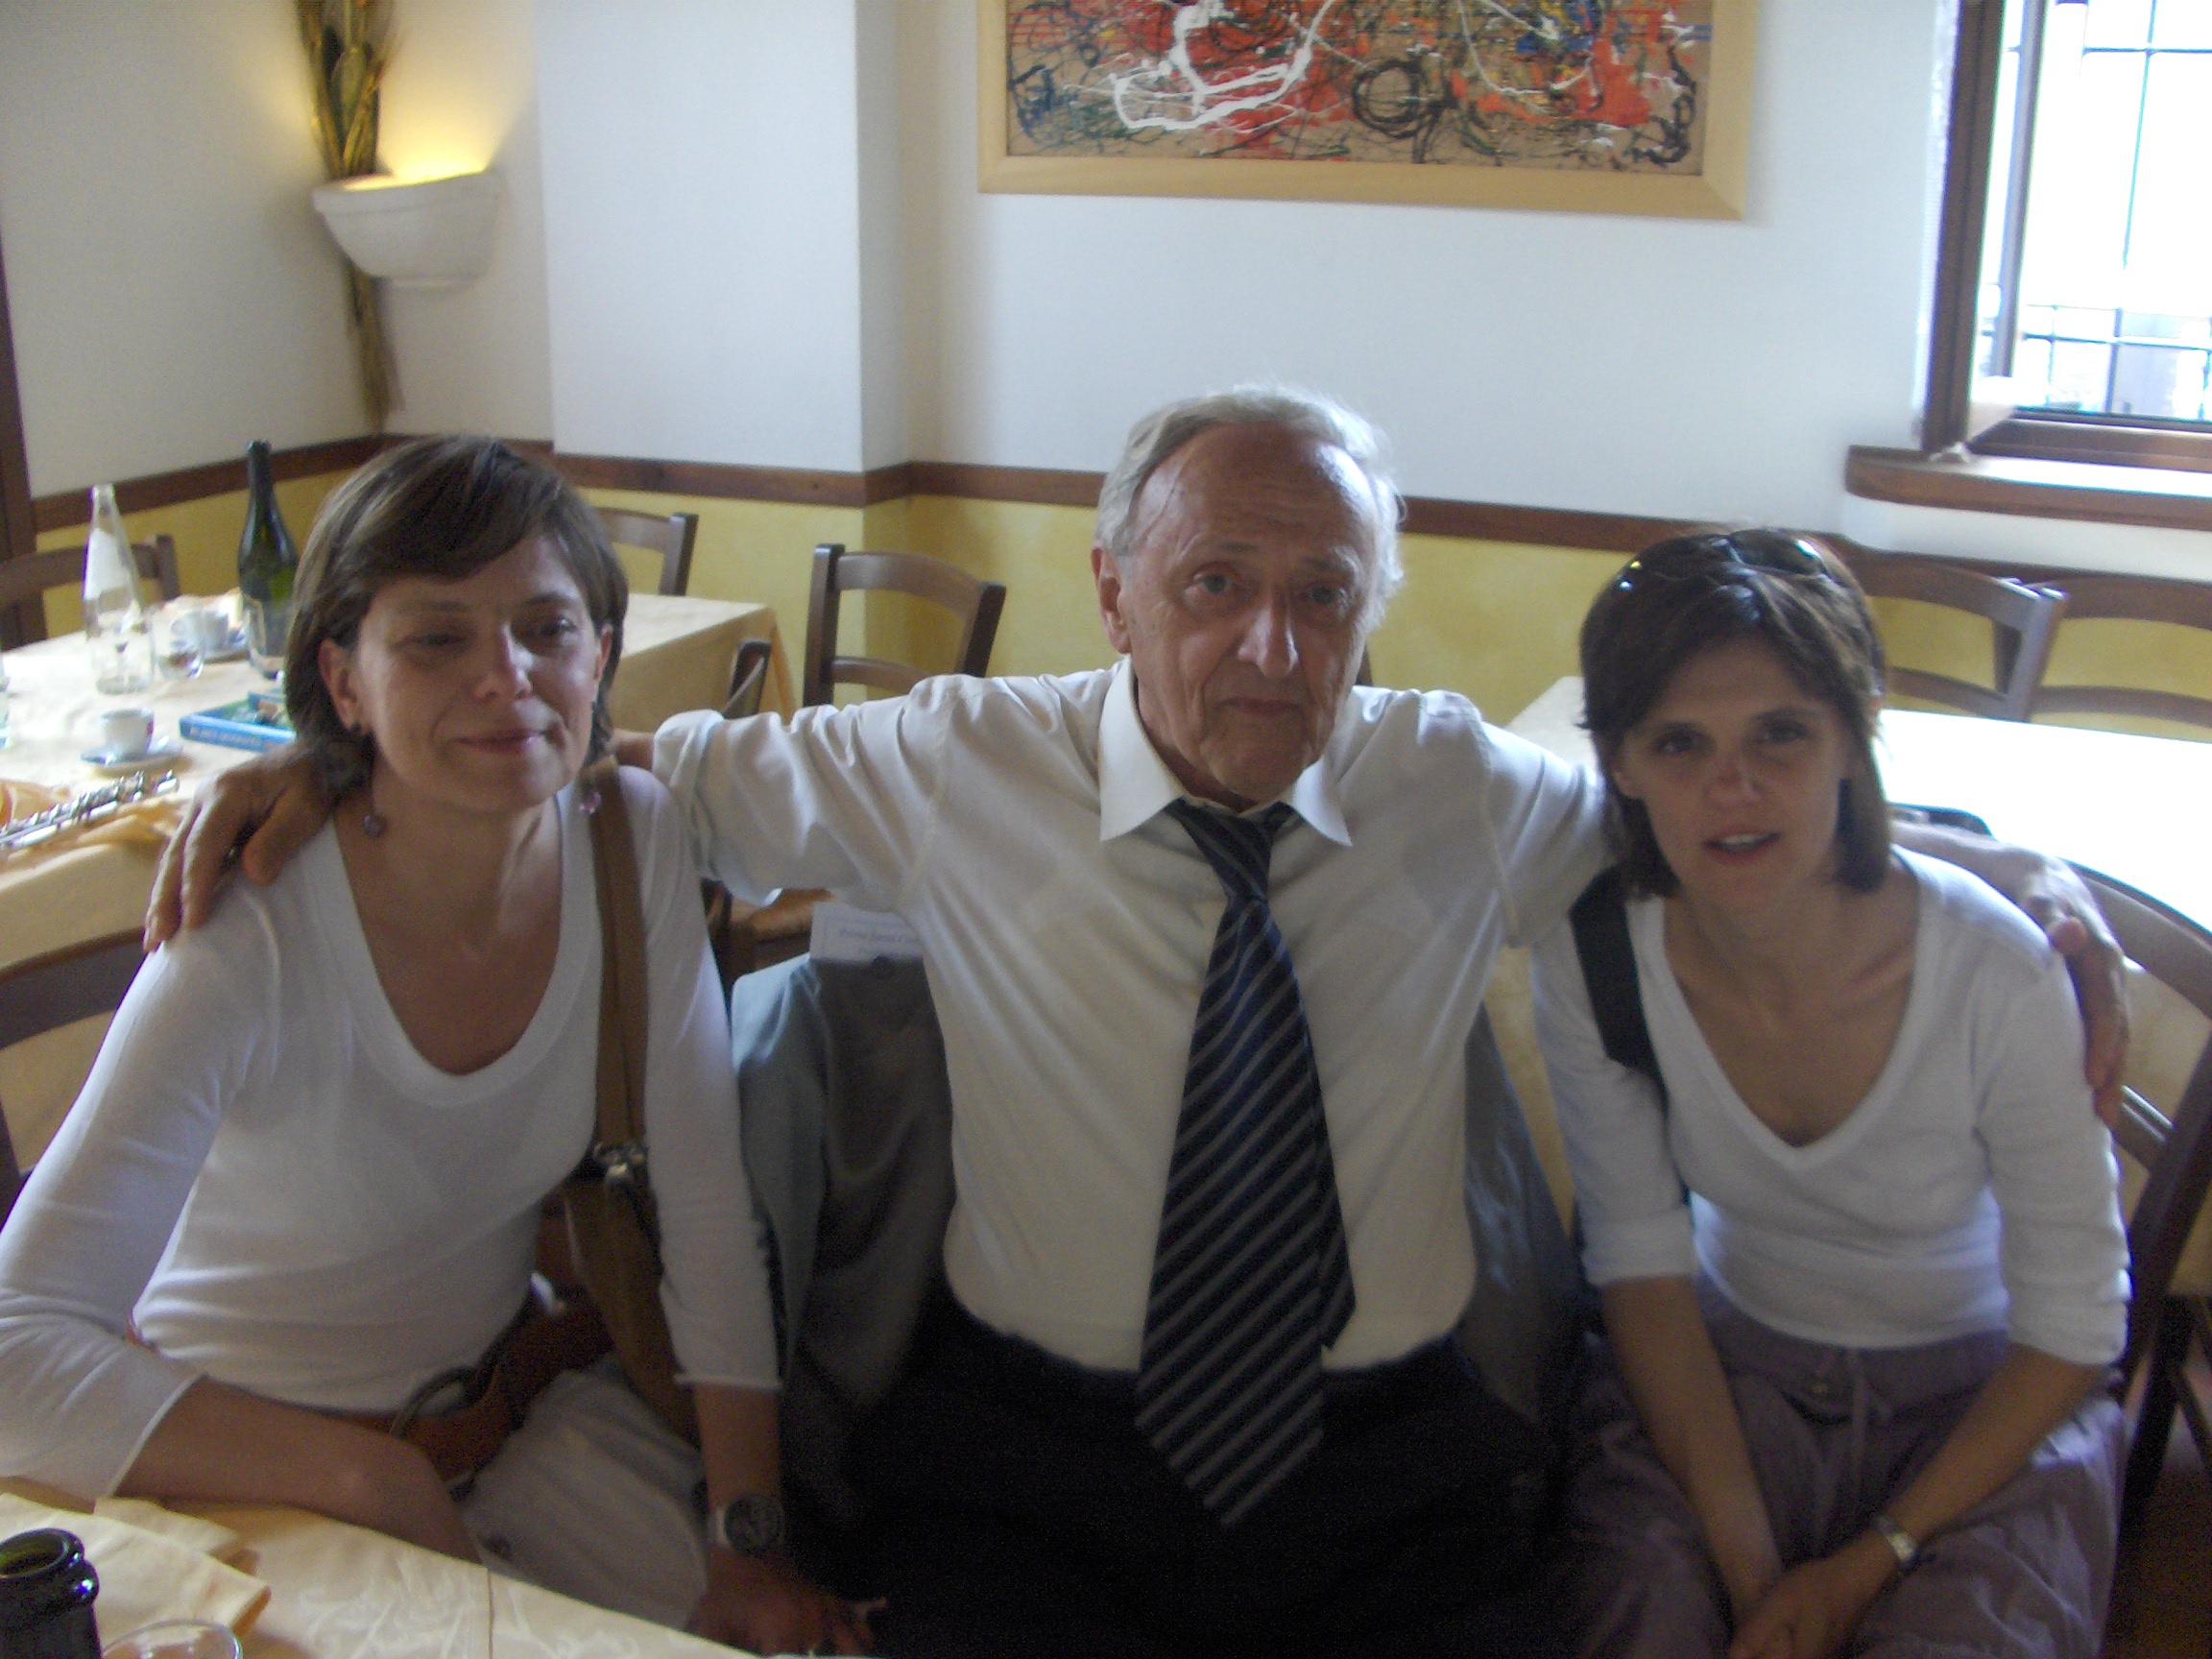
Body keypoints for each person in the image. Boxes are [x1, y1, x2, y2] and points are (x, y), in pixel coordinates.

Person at [148, 393, 2128, 1659]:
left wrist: (2010, 871)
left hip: (1387, 1472)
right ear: (1109, 590)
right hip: (1034, 1467)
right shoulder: (955, 757)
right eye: (1212, 584)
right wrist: (334, 763)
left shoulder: (1451, 783)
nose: (1270, 645)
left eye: (1323, 595)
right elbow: (608, 766)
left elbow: (1719, 813)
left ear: (1375, 613)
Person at [0, 438, 864, 1655]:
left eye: (546, 629)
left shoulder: (630, 838)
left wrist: (747, 1541)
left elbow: (707, 1215)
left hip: (524, 1425)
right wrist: (365, 1477)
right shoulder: (254, 932)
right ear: (342, 681)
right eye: (435, 640)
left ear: (600, 654)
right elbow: (15, 1347)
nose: (506, 678)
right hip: (258, 1487)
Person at [1532, 531, 2128, 1659]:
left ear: (1854, 736)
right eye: (1679, 743)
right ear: (1619, 762)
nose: (1733, 789)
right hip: (1726, 1376)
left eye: (1782, 734)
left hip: (1980, 1401)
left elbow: (2074, 1326)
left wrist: (1863, 1570)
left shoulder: (1995, 974)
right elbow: (1643, 1268)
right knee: (1641, 1618)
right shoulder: (1597, 959)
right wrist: (1756, 1576)